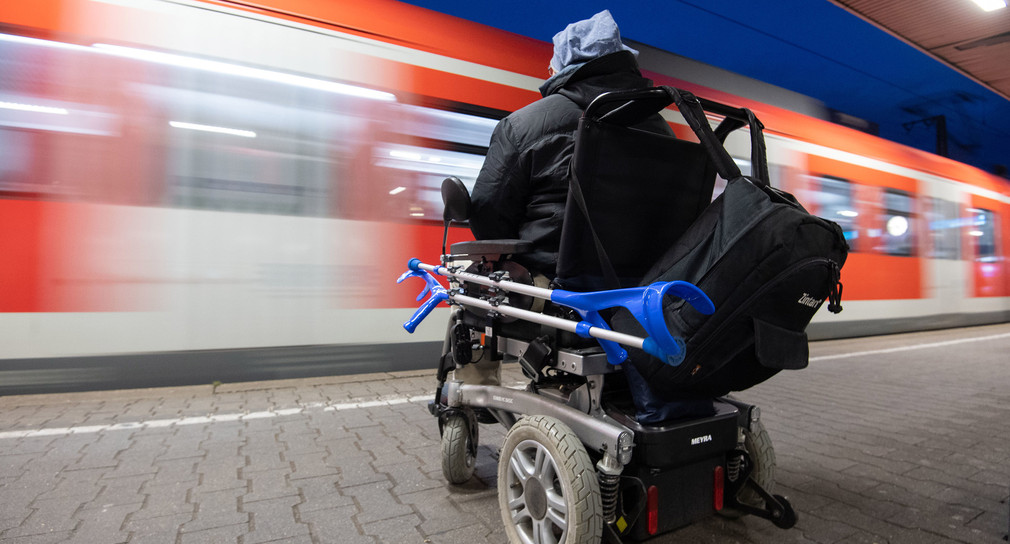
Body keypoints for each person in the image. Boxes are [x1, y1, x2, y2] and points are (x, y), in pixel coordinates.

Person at [469, 9, 671, 279]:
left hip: (553, 293)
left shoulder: (523, 125)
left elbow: (487, 213)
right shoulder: (661, 128)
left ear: (562, 67)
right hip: (642, 289)